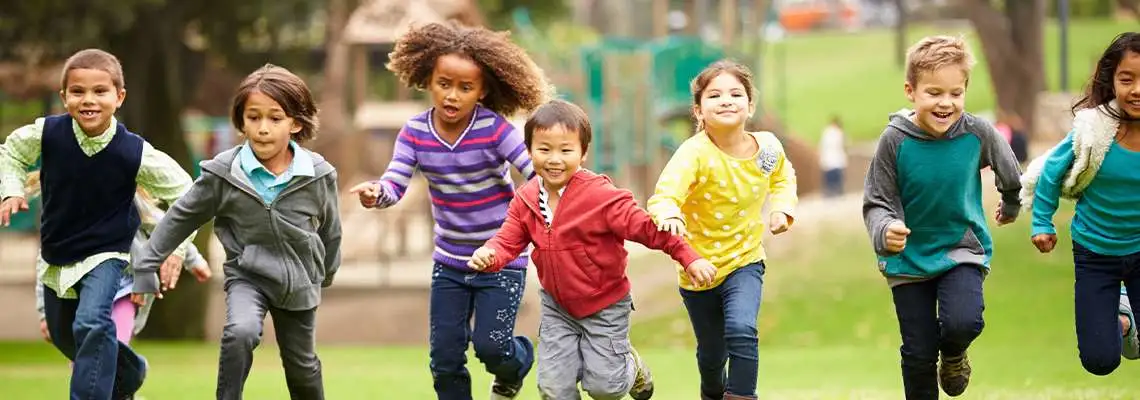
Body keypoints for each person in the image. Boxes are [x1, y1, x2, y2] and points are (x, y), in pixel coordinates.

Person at [347, 21, 552, 400]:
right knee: (444, 358)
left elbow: (535, 172)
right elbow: (395, 183)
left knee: (492, 348)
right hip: (450, 265)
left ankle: (518, 363)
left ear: (483, 90)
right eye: (444, 84)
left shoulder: (495, 130)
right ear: (428, 80)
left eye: (465, 87)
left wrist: (550, 202)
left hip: (501, 260)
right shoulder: (414, 132)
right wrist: (377, 194)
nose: (452, 96)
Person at [467, 99, 718, 399]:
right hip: (557, 307)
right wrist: (490, 254)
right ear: (530, 151)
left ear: (583, 153)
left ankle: (630, 366)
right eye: (544, 149)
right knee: (553, 389)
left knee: (605, 388)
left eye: (566, 150)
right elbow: (507, 241)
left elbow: (648, 229)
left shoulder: (600, 197)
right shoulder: (526, 199)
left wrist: (689, 257)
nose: (554, 159)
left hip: (605, 305)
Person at [133, 64, 342, 400]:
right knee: (240, 332)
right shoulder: (223, 174)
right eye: (253, 117)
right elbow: (180, 217)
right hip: (249, 276)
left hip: (300, 280)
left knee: (302, 367)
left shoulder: (318, 175)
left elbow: (331, 230)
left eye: (275, 118)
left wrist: (326, 272)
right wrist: (145, 266)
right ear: (241, 122)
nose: (263, 128)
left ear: (296, 123)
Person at [0, 48, 195, 400]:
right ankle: (131, 370)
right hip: (58, 251)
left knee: (91, 322)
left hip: (108, 253)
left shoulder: (134, 152)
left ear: (119, 97)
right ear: (64, 97)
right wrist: (11, 191)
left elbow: (188, 195)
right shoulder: (48, 133)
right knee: (65, 336)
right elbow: (12, 151)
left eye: (100, 91)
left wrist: (175, 249)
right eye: (78, 92)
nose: (88, 100)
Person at [862, 35, 1022, 400]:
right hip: (908, 259)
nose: (945, 103)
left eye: (955, 93)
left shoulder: (976, 132)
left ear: (965, 90)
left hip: (960, 249)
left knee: (962, 322)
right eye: (934, 92)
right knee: (918, 353)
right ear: (910, 91)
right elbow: (876, 200)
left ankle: (953, 355)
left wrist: (1011, 203)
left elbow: (1010, 170)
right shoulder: (894, 140)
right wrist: (885, 229)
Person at [646, 59, 798, 400]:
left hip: (745, 261)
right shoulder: (693, 154)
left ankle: (743, 395)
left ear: (750, 105)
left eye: (735, 93)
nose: (726, 100)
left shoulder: (768, 147)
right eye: (715, 96)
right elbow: (664, 196)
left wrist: (783, 208)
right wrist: (670, 215)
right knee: (712, 356)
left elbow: (783, 177)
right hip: (697, 271)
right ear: (698, 111)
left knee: (742, 329)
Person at [1021, 31, 1140, 376]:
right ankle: (1123, 319)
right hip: (1095, 252)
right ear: (1112, 80)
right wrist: (1042, 222)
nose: (1136, 89)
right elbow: (1050, 171)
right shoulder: (1094, 129)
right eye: (1127, 79)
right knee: (1099, 361)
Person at [818, 115, 847, 198]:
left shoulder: (827, 132)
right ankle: (835, 192)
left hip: (831, 159)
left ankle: (831, 192)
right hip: (834, 159)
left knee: (831, 178)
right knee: (834, 178)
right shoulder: (837, 132)